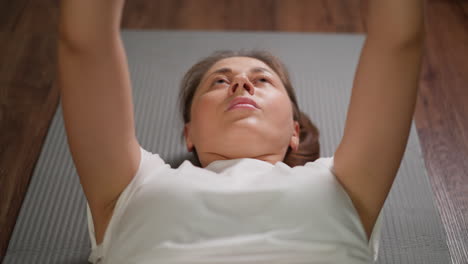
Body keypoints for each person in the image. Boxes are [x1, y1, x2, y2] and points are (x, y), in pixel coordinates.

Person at [57, 0, 425, 263]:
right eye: (219, 81)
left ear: (294, 131)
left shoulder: (344, 182)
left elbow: (400, 43)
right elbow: (84, 43)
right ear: (189, 133)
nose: (241, 85)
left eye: (262, 79)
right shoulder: (134, 183)